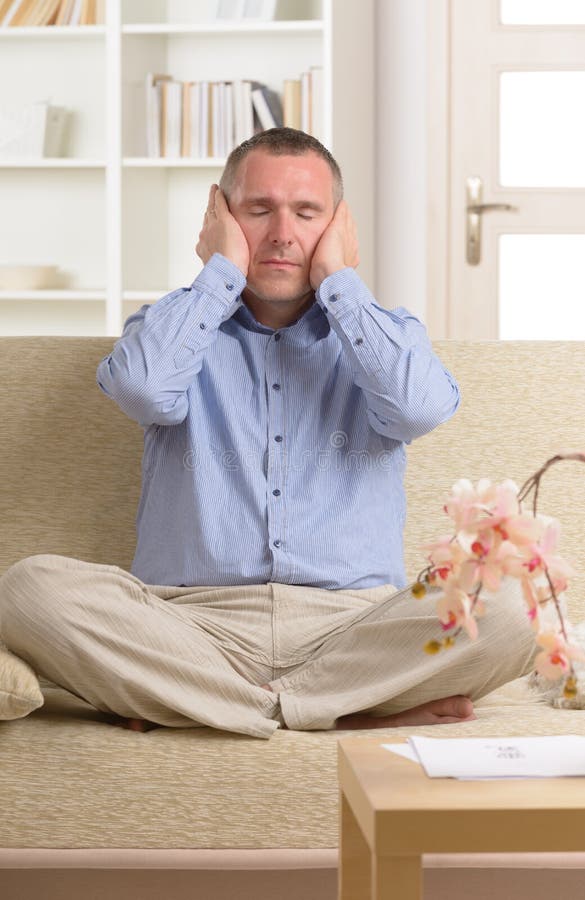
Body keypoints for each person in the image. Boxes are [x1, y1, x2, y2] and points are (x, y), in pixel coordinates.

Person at [0, 128, 535, 738]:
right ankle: (332, 710)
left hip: (355, 631)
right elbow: (145, 390)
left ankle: (213, 705)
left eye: (306, 213)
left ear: (338, 225)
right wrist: (221, 270)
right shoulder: (172, 328)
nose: (282, 233)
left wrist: (340, 284)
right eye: (259, 210)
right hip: (187, 629)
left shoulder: (384, 335)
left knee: (511, 607)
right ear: (220, 215)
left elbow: (417, 410)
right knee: (29, 588)